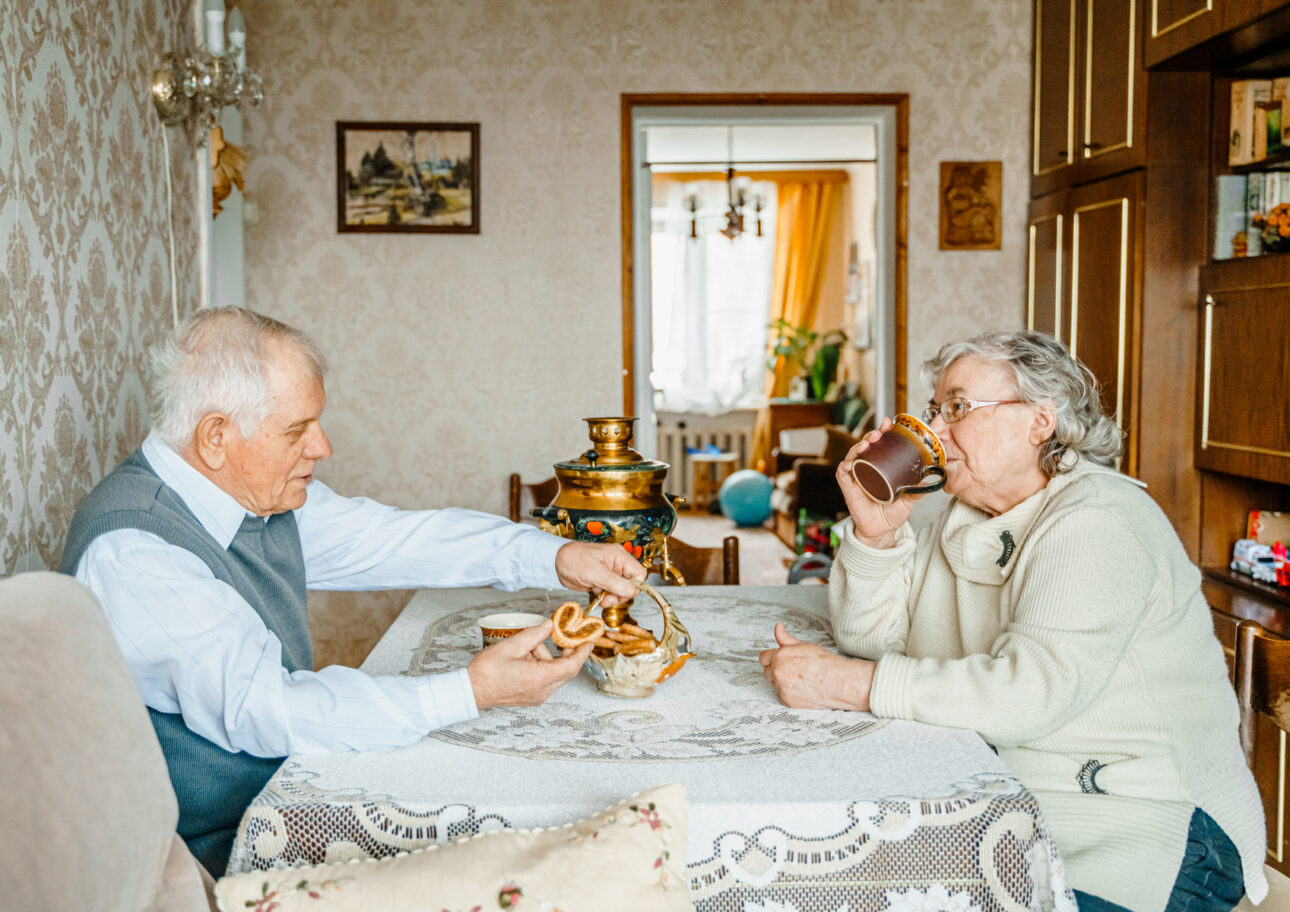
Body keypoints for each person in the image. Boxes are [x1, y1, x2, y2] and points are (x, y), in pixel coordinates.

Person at [60, 306, 645, 876]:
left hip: (287, 794)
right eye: (297, 430)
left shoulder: (245, 493)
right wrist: (472, 691)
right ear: (216, 437)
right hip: (214, 854)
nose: (322, 447)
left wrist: (555, 556)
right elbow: (272, 711)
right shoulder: (138, 556)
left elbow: (393, 537)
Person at [759, 330, 1267, 911]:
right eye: (935, 409)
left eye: (957, 407)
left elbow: (1027, 695)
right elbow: (874, 643)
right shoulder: (958, 514)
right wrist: (877, 534)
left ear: (1039, 421)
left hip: (1148, 827)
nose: (936, 430)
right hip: (1007, 800)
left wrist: (841, 683)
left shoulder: (1099, 521)